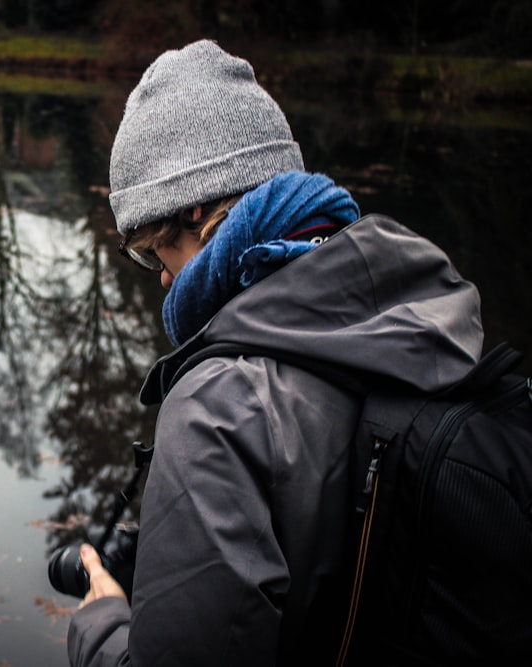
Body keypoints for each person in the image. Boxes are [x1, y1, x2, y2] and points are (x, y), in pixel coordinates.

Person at [66, 40, 483, 666]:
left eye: (153, 250)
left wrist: (99, 627)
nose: (158, 276)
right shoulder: (430, 312)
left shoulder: (218, 406)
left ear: (198, 210)